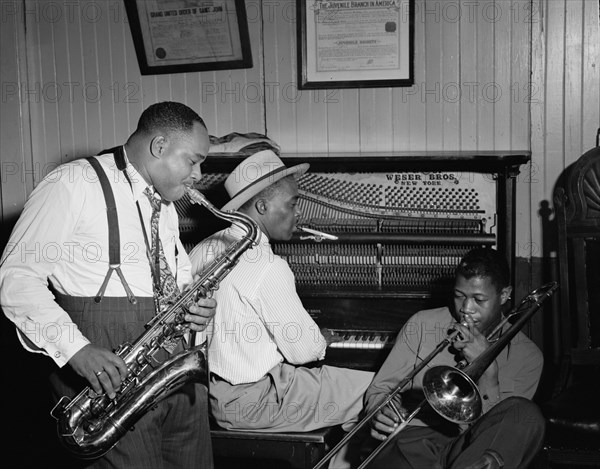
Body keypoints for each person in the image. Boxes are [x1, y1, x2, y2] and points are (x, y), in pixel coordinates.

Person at [0, 101, 216, 469]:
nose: (198, 174)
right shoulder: (71, 183)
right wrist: (77, 351)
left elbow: (172, 277)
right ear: (160, 146)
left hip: (172, 375)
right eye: (193, 161)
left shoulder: (163, 201)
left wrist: (194, 308)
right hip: (108, 373)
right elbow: (16, 278)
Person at [188, 150, 374, 439]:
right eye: (293, 203)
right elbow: (305, 352)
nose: (299, 212)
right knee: (383, 390)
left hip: (205, 395)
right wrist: (320, 337)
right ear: (262, 206)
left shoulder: (203, 248)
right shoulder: (268, 265)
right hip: (256, 401)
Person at [363, 247, 545, 469]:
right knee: (398, 446)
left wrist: (488, 370)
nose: (466, 310)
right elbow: (380, 389)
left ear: (505, 295)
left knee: (526, 414)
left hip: (471, 448)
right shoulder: (422, 324)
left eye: (479, 299)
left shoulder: (528, 356)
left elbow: (503, 432)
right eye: (459, 296)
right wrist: (380, 412)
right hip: (415, 441)